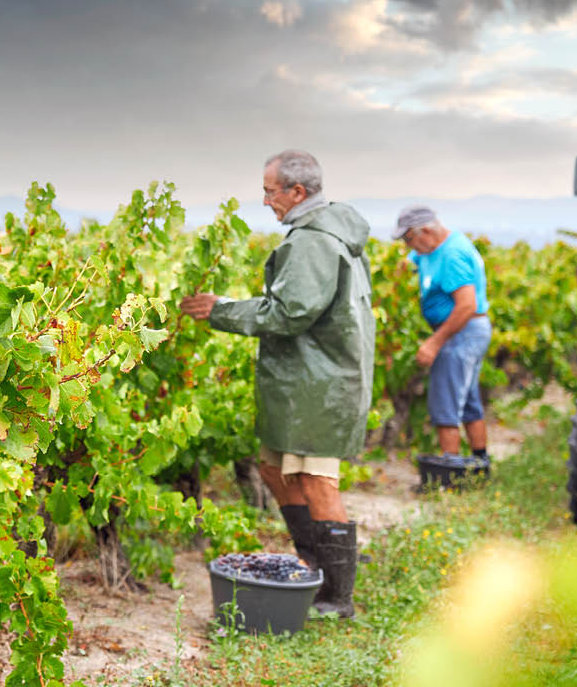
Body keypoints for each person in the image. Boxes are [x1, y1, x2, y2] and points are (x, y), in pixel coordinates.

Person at [180, 150, 375, 618]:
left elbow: (289, 313)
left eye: (270, 191)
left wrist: (221, 309)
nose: (265, 200)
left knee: (316, 481)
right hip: (310, 378)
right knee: (275, 470)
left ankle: (335, 598)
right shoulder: (327, 231)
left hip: (320, 383)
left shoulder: (313, 242)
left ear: (297, 192)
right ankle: (313, 562)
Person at [393, 204, 491, 461]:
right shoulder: (431, 249)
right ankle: (480, 463)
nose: (408, 246)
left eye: (408, 238)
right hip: (467, 332)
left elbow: (467, 305)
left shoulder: (452, 255)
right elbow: (409, 263)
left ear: (425, 230)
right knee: (468, 401)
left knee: (445, 403)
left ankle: (450, 473)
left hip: (461, 331)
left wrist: (435, 343)